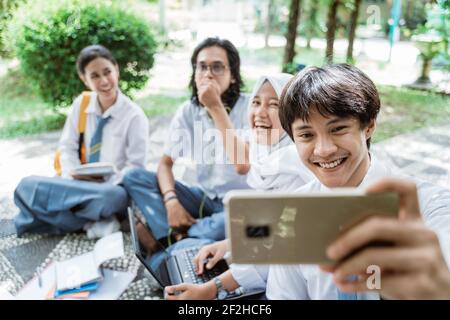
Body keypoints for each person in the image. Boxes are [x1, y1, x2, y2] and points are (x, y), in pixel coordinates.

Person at [264, 63, 450, 300]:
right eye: (306, 135)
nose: (324, 150)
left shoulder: (430, 206)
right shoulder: (292, 212)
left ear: (369, 124)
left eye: (338, 129)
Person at [164, 73, 314, 300]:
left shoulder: (296, 168)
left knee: (184, 256)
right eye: (256, 102)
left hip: (281, 288)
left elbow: (274, 252)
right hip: (257, 265)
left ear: (293, 114)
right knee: (184, 253)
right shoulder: (266, 155)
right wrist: (227, 245)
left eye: (274, 105)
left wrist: (211, 289)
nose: (260, 113)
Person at [122, 38, 251, 246]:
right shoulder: (189, 110)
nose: (208, 74)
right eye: (201, 67)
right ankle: (185, 232)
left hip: (241, 206)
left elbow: (243, 163)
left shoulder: (251, 108)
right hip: (204, 198)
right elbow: (165, 164)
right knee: (134, 177)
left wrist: (215, 108)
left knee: (227, 225)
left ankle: (169, 236)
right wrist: (171, 201)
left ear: (233, 75)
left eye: (217, 67)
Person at [14, 45, 149, 237]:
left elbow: (135, 168)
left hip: (109, 188)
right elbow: (67, 147)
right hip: (76, 184)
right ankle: (93, 222)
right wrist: (73, 175)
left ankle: (55, 218)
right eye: (94, 76)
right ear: (84, 79)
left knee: (115, 198)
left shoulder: (134, 116)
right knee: (26, 186)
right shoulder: (82, 104)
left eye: (107, 72)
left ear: (116, 70)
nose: (104, 81)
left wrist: (106, 183)